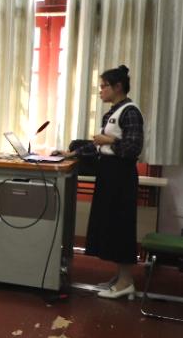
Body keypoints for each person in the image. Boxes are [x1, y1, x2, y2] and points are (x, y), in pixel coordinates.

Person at [62, 66, 144, 299]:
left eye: (103, 86)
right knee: (110, 225)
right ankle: (120, 277)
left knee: (121, 226)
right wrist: (72, 153)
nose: (100, 91)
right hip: (108, 173)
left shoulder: (130, 112)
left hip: (121, 176)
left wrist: (108, 140)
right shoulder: (112, 112)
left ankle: (126, 281)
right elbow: (99, 146)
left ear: (117, 87)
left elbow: (132, 148)